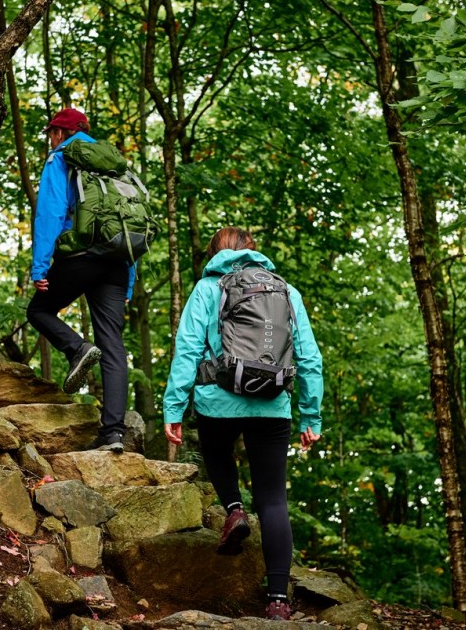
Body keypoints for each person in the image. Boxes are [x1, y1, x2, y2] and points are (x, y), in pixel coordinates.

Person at [161, 226, 323, 620]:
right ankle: (278, 602)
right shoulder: (286, 290)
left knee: (217, 452)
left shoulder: (207, 289)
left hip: (218, 401)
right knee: (273, 499)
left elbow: (187, 349)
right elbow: (309, 356)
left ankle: (233, 509)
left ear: (215, 252)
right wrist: (311, 414)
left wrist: (174, 407)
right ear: (254, 251)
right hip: (272, 404)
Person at [26, 107, 134, 453]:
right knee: (114, 344)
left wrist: (40, 266)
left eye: (51, 133)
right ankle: (114, 433)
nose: (50, 139)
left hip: (80, 254)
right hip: (117, 260)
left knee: (39, 311)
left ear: (60, 133)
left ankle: (78, 348)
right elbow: (127, 222)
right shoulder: (115, 164)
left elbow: (52, 211)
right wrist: (128, 281)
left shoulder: (61, 157)